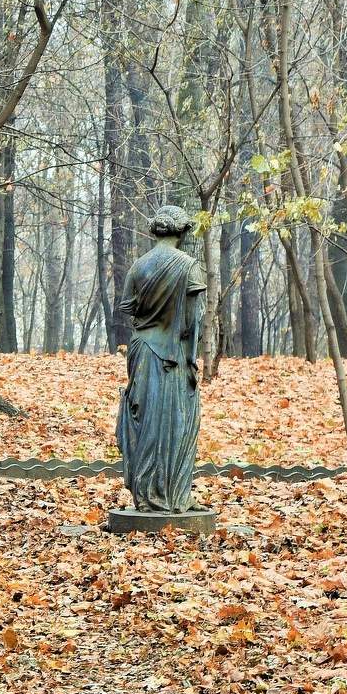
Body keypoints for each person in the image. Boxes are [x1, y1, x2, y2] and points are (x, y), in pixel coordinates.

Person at [116, 205, 206, 512]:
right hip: (175, 353)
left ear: (156, 230)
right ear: (182, 232)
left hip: (142, 348)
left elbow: (126, 307)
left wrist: (149, 317)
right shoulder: (189, 266)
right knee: (176, 421)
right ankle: (174, 493)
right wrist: (192, 359)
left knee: (146, 419)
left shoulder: (139, 266)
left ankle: (146, 493)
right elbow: (193, 320)